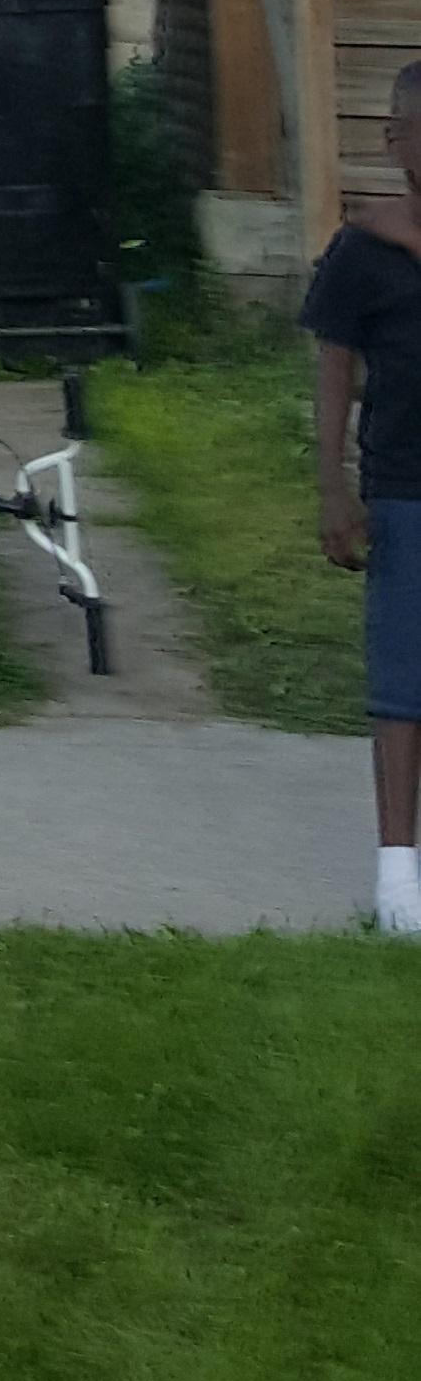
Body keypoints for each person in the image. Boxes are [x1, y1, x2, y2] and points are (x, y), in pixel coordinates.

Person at [304, 56, 421, 937]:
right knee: (402, 683)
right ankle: (396, 879)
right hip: (405, 487)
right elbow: (336, 372)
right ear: (394, 142)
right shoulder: (362, 252)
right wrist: (334, 488)